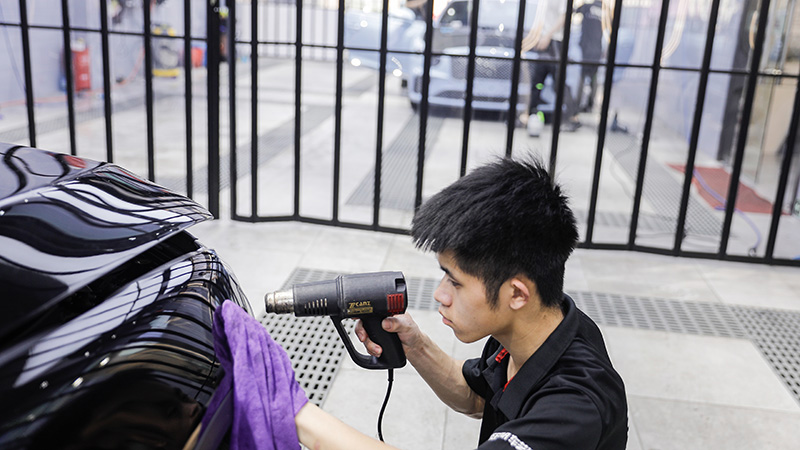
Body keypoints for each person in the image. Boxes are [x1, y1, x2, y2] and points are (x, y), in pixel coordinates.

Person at [293, 156, 628, 450]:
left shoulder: (575, 405)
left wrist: (290, 409)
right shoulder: (534, 325)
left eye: (455, 281)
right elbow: (477, 398)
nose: (440, 294)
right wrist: (416, 346)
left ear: (517, 294)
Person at [522, 0, 581, 137]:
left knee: (557, 84)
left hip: (554, 42)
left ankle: (573, 117)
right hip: (547, 41)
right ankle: (530, 115)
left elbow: (564, 16)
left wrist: (547, 36)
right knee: (537, 82)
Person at [575, 0, 603, 112]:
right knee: (593, 77)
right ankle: (590, 105)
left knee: (582, 77)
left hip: (586, 49)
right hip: (598, 49)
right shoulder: (605, 12)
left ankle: (577, 106)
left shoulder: (587, 7)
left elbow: (574, 10)